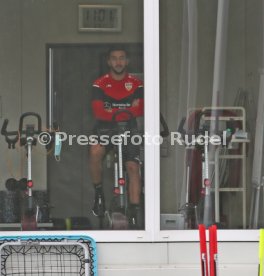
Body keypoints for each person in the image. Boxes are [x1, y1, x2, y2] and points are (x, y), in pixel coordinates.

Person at [89, 45, 144, 228]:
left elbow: (141, 109)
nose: (118, 62)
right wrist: (128, 108)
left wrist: (111, 109)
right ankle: (98, 193)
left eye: (122, 58)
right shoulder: (100, 83)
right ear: (108, 61)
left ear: (127, 61)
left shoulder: (137, 83)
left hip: (129, 128)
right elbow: (99, 112)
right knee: (95, 151)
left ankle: (134, 211)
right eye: (114, 58)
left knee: (132, 167)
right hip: (105, 129)